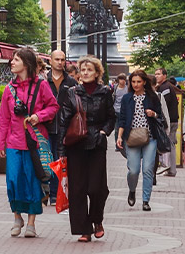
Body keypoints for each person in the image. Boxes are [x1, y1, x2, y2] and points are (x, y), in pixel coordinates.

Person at [0, 47, 59, 238]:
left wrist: (38, 116)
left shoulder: (41, 85)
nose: (12, 63)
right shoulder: (8, 89)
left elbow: (53, 106)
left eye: (16, 60)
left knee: (33, 182)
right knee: (13, 181)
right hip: (14, 142)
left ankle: (31, 222)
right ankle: (17, 217)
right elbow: (3, 118)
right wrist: (0, 143)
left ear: (26, 63)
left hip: (35, 142)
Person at [58, 56, 115, 242]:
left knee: (97, 188)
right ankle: (84, 229)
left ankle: (97, 219)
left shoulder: (105, 92)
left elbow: (111, 117)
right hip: (76, 143)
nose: (85, 73)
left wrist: (104, 132)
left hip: (97, 142)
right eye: (83, 70)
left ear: (97, 73)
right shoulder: (72, 92)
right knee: (78, 189)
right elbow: (64, 120)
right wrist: (61, 150)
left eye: (89, 70)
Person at [116, 69, 165, 211]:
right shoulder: (127, 98)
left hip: (150, 137)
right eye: (133, 82)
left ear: (144, 82)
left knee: (148, 169)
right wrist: (119, 136)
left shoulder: (152, 97)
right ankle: (132, 190)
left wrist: (153, 113)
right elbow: (122, 119)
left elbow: (160, 115)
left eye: (139, 81)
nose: (136, 84)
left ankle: (145, 200)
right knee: (133, 170)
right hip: (131, 138)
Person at [46, 50, 77, 206]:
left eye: (62, 59)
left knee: (63, 161)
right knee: (49, 161)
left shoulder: (71, 82)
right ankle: (51, 194)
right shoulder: (43, 81)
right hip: (47, 127)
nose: (60, 62)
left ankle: (61, 194)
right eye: (56, 59)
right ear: (50, 61)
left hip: (66, 128)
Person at [154, 67, 179, 177]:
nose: (156, 76)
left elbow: (165, 105)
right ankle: (170, 168)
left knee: (169, 144)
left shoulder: (165, 88)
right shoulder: (165, 87)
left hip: (169, 121)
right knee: (170, 144)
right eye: (155, 74)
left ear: (165, 75)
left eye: (159, 74)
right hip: (171, 119)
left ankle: (170, 169)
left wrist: (163, 120)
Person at [112, 74, 129, 151]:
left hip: (125, 110)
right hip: (116, 110)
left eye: (124, 79)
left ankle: (124, 143)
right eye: (121, 79)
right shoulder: (116, 87)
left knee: (124, 128)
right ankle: (117, 145)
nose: (123, 81)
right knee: (117, 128)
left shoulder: (127, 88)